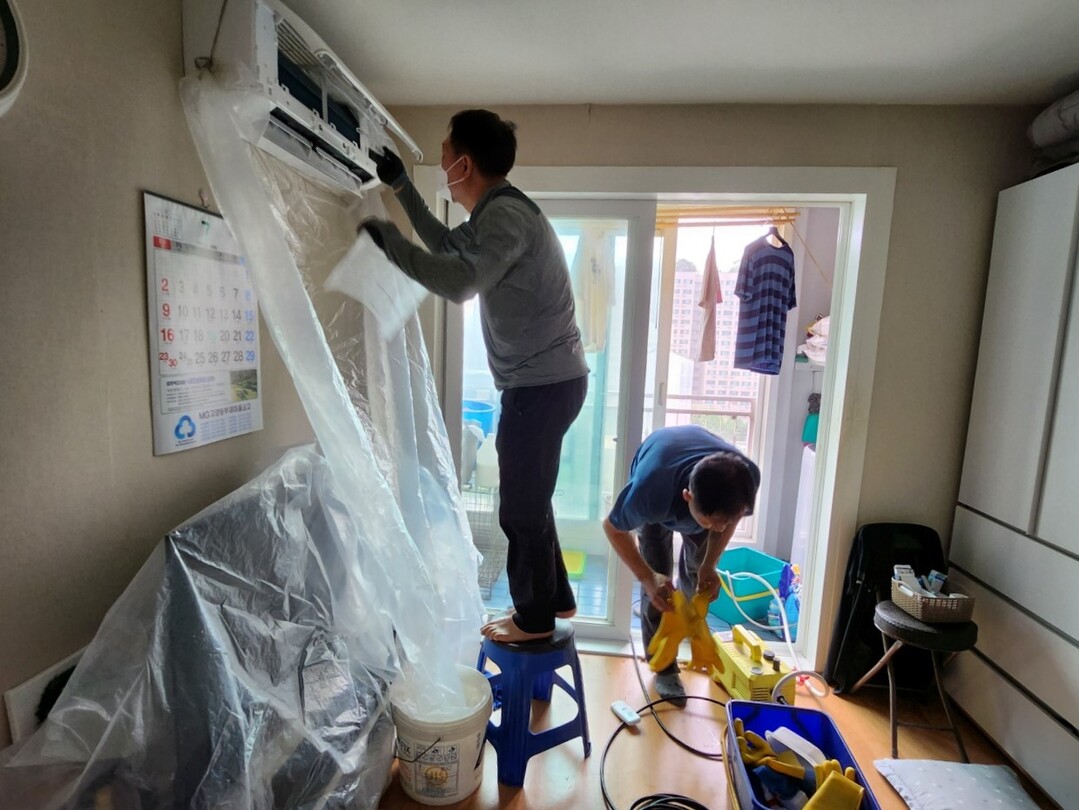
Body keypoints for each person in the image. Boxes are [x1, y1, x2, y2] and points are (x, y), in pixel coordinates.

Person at [360, 109, 589, 644]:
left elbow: (460, 282)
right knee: (531, 495)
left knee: (519, 508)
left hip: (541, 385)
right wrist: (401, 186)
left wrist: (391, 245)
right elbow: (448, 247)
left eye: (445, 156)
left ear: (464, 164)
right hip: (546, 382)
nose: (442, 164)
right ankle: (555, 596)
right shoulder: (495, 214)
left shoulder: (505, 216)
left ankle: (534, 620)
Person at [603, 425, 760, 707]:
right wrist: (648, 577)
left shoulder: (745, 478)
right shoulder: (650, 492)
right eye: (711, 522)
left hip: (696, 484)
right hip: (659, 473)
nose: (720, 528)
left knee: (698, 579)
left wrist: (709, 564)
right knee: (659, 588)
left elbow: (728, 519)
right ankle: (663, 667)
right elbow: (612, 528)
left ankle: (687, 630)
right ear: (688, 496)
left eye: (725, 522)